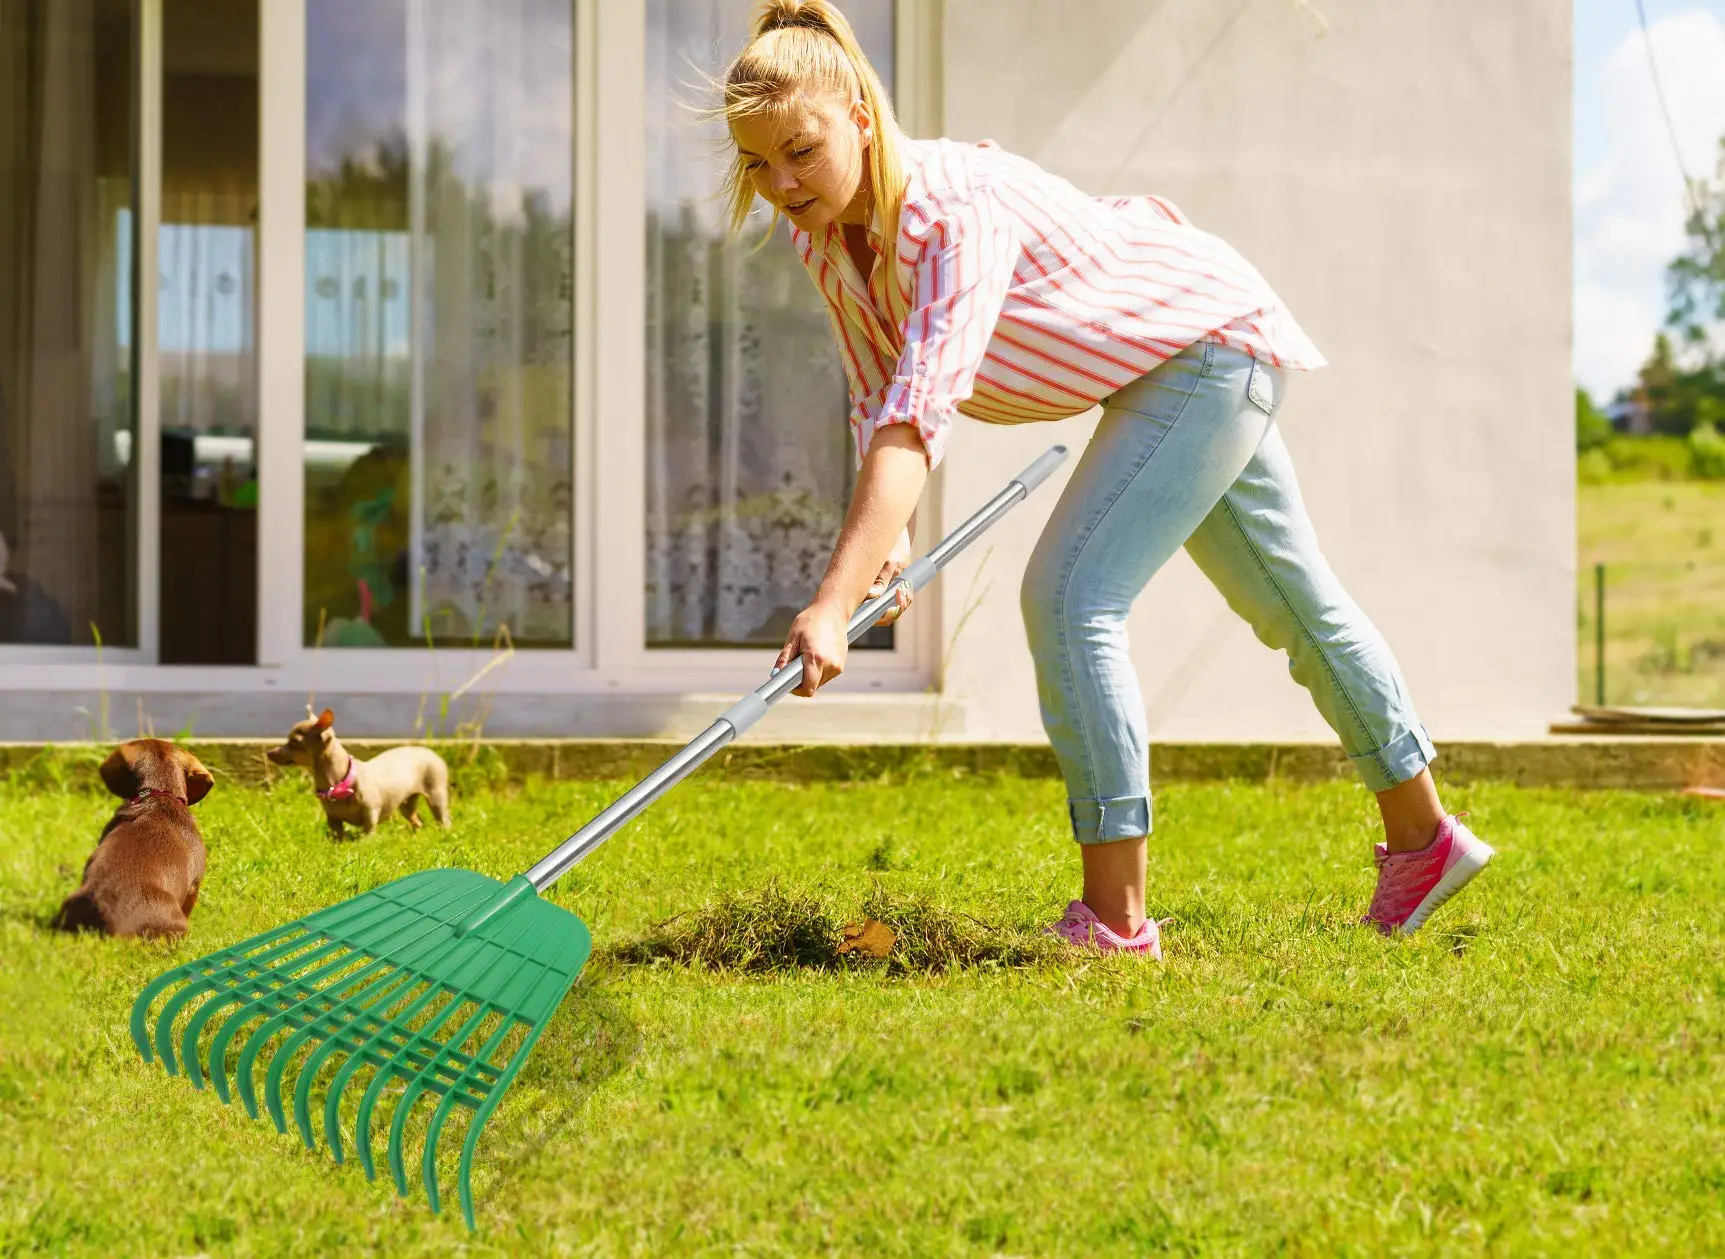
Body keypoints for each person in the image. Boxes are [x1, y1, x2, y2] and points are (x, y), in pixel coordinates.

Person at [721, 0, 1493, 955]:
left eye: (800, 150)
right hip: (1170, 362)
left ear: (861, 118)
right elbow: (877, 389)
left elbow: (918, 415)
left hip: (1202, 346)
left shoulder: (952, 212)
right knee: (1294, 601)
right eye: (756, 164)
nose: (781, 183)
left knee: (1070, 595)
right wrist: (892, 540)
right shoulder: (823, 235)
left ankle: (1115, 921)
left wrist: (833, 601)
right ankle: (1426, 843)